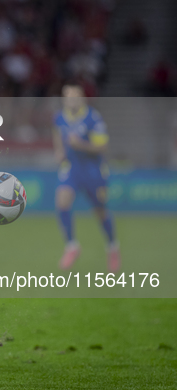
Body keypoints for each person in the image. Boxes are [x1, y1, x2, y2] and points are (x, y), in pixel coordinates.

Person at [53, 84, 121, 272]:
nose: (71, 100)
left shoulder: (93, 118)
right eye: (67, 97)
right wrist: (59, 151)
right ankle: (72, 246)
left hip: (93, 169)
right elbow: (58, 135)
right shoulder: (59, 117)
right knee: (62, 204)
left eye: (74, 97)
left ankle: (112, 247)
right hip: (72, 168)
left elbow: (102, 146)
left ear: (82, 98)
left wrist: (81, 144)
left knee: (100, 211)